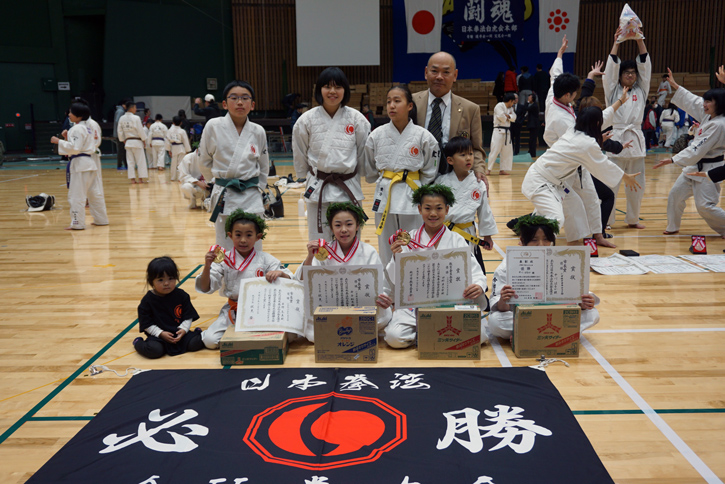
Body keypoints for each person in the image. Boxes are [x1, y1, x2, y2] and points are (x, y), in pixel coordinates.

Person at [383, 185, 488, 349]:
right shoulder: (409, 240)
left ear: (447, 209)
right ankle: (433, 332)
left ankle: (428, 332)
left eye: (439, 208)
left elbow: (474, 270)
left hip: (451, 303)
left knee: (480, 335)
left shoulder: (456, 239)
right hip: (416, 304)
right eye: (427, 208)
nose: (433, 213)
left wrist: (479, 286)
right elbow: (396, 280)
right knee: (394, 337)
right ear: (419, 209)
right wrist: (396, 258)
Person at [522, 107, 642, 231]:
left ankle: (572, 241)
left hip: (550, 179)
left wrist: (620, 102)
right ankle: (539, 241)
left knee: (575, 206)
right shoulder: (587, 143)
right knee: (556, 219)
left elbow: (603, 118)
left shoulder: (573, 130)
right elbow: (603, 164)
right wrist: (626, 177)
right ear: (597, 123)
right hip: (541, 181)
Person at [486, 215, 600, 340]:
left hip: (556, 313)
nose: (541, 245)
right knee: (495, 321)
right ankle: (558, 333)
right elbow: (500, 308)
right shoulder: (506, 267)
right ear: (522, 240)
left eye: (546, 239)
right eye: (534, 240)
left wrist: (585, 301)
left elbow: (577, 292)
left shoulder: (563, 260)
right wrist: (503, 300)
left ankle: (526, 333)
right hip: (524, 316)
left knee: (592, 314)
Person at [195, 210, 293, 349]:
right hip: (234, 310)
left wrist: (280, 273)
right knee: (210, 341)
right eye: (238, 235)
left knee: (291, 336)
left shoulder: (265, 259)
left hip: (260, 309)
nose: (243, 240)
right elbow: (205, 287)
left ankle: (243, 335)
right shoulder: (224, 260)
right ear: (230, 235)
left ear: (258, 237)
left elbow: (290, 277)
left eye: (248, 235)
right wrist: (207, 266)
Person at [295, 202, 392, 341]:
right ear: (331, 227)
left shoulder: (368, 251)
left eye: (349, 224)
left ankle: (343, 331)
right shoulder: (322, 252)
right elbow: (304, 282)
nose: (344, 230)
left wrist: (383, 298)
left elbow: (380, 286)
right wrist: (310, 256)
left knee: (382, 313)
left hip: (360, 307)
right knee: (312, 333)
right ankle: (355, 332)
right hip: (332, 307)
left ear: (357, 226)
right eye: (338, 225)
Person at [293, 67, 370, 241]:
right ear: (319, 89)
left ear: (345, 90)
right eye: (327, 86)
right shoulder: (306, 120)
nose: (333, 91)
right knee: (319, 242)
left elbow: (362, 152)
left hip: (348, 186)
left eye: (338, 87)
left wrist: (362, 173)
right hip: (319, 185)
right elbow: (300, 151)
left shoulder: (357, 119)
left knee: (349, 241)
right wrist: (302, 174)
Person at [364, 85, 439, 264]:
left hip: (412, 194)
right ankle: (387, 281)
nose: (392, 105)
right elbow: (370, 169)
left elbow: (431, 168)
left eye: (397, 101)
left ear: (410, 106)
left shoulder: (424, 136)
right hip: (385, 194)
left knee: (415, 244)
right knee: (386, 246)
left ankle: (416, 279)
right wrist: (384, 177)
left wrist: (419, 185)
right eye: (389, 101)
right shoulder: (376, 135)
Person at [197, 80, 269, 252]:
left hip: (251, 194)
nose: (239, 102)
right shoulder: (213, 126)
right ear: (224, 104)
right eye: (234, 98)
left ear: (252, 105)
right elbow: (204, 161)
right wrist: (217, 182)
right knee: (225, 244)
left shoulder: (258, 131)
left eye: (245, 98)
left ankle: (254, 270)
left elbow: (263, 166)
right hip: (225, 193)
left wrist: (258, 188)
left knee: (254, 245)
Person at [654, 69, 725, 239]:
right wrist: (675, 85)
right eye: (705, 100)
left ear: (719, 104)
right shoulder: (709, 116)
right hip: (693, 166)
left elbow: (697, 149)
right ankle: (673, 226)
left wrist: (673, 159)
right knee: (675, 195)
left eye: (709, 101)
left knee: (705, 207)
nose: (704, 104)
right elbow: (693, 100)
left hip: (709, 169)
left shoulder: (719, 124)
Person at [413, 52, 488, 183]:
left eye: (446, 72)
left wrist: (479, 170)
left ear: (455, 75)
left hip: (454, 180)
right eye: (434, 71)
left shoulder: (470, 109)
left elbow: (476, 149)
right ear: (426, 72)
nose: (439, 77)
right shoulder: (411, 103)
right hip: (415, 179)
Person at [603, 25, 651, 229]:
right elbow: (610, 71)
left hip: (636, 141)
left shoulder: (641, 90)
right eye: (626, 73)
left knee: (637, 185)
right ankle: (607, 220)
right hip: (616, 139)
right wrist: (617, 43)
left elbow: (646, 68)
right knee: (611, 183)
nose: (630, 75)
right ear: (620, 75)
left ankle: (633, 219)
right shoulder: (613, 91)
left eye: (633, 73)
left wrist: (639, 39)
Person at [437, 136, 497, 284]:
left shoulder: (478, 184)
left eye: (470, 154)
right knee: (447, 270)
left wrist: (487, 236)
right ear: (450, 160)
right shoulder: (441, 182)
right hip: (445, 233)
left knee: (470, 271)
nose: (468, 158)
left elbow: (484, 211)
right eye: (463, 155)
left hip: (467, 233)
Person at [50, 101, 108, 230]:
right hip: (90, 163)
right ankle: (101, 219)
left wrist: (59, 141)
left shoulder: (76, 128)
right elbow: (80, 145)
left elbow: (75, 148)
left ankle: (77, 223)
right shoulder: (87, 127)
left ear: (79, 115)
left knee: (76, 195)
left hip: (80, 165)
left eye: (71, 112)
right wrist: (67, 138)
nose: (69, 114)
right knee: (95, 193)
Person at [134, 256, 205, 359]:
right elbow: (147, 324)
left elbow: (188, 316)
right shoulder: (147, 301)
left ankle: (197, 332)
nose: (166, 283)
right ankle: (138, 342)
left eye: (170, 279)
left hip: (180, 334)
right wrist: (160, 333)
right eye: (160, 280)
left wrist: (184, 329)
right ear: (151, 281)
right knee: (155, 350)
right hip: (159, 337)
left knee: (197, 343)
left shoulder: (181, 295)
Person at [117, 101, 148, 184]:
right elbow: (140, 130)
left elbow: (120, 131)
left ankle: (132, 180)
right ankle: (140, 179)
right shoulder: (136, 118)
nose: (136, 109)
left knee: (130, 162)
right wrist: (144, 140)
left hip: (128, 142)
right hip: (137, 141)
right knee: (140, 161)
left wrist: (123, 140)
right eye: (135, 107)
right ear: (132, 108)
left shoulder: (122, 118)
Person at [487, 92, 517, 175]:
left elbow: (514, 117)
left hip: (507, 132)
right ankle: (489, 169)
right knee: (495, 150)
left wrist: (508, 116)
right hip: (498, 131)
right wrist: (508, 116)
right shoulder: (499, 106)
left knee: (507, 152)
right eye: (513, 101)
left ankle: (503, 169)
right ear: (510, 100)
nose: (513, 103)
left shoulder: (510, 108)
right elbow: (501, 116)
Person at [165, 116, 191, 181]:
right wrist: (187, 150)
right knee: (181, 163)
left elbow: (167, 141)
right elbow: (185, 141)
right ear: (181, 123)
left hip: (173, 148)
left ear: (173, 122)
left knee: (173, 164)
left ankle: (173, 177)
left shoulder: (169, 131)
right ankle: (180, 178)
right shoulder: (182, 131)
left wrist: (168, 150)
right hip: (181, 148)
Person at [113, 99, 129, 170]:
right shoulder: (120, 111)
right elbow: (118, 121)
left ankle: (124, 164)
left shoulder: (120, 110)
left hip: (119, 134)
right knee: (121, 150)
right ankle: (120, 165)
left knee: (122, 150)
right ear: (123, 104)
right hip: (119, 134)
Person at [525, 93, 540, 159]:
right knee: (531, 139)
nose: (528, 98)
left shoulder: (534, 105)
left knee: (533, 139)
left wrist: (527, 102)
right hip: (532, 124)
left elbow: (526, 108)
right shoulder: (532, 105)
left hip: (534, 125)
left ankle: (533, 153)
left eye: (530, 97)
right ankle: (530, 151)